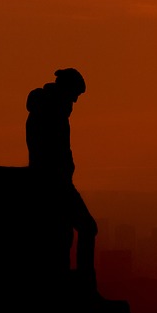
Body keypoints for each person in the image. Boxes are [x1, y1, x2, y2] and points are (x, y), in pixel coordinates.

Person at [26, 67, 98, 290]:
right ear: (66, 90)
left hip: (54, 181)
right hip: (55, 183)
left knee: (62, 234)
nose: (75, 101)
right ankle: (83, 279)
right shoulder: (50, 113)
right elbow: (50, 151)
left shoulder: (46, 110)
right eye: (75, 94)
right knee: (87, 228)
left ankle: (70, 278)